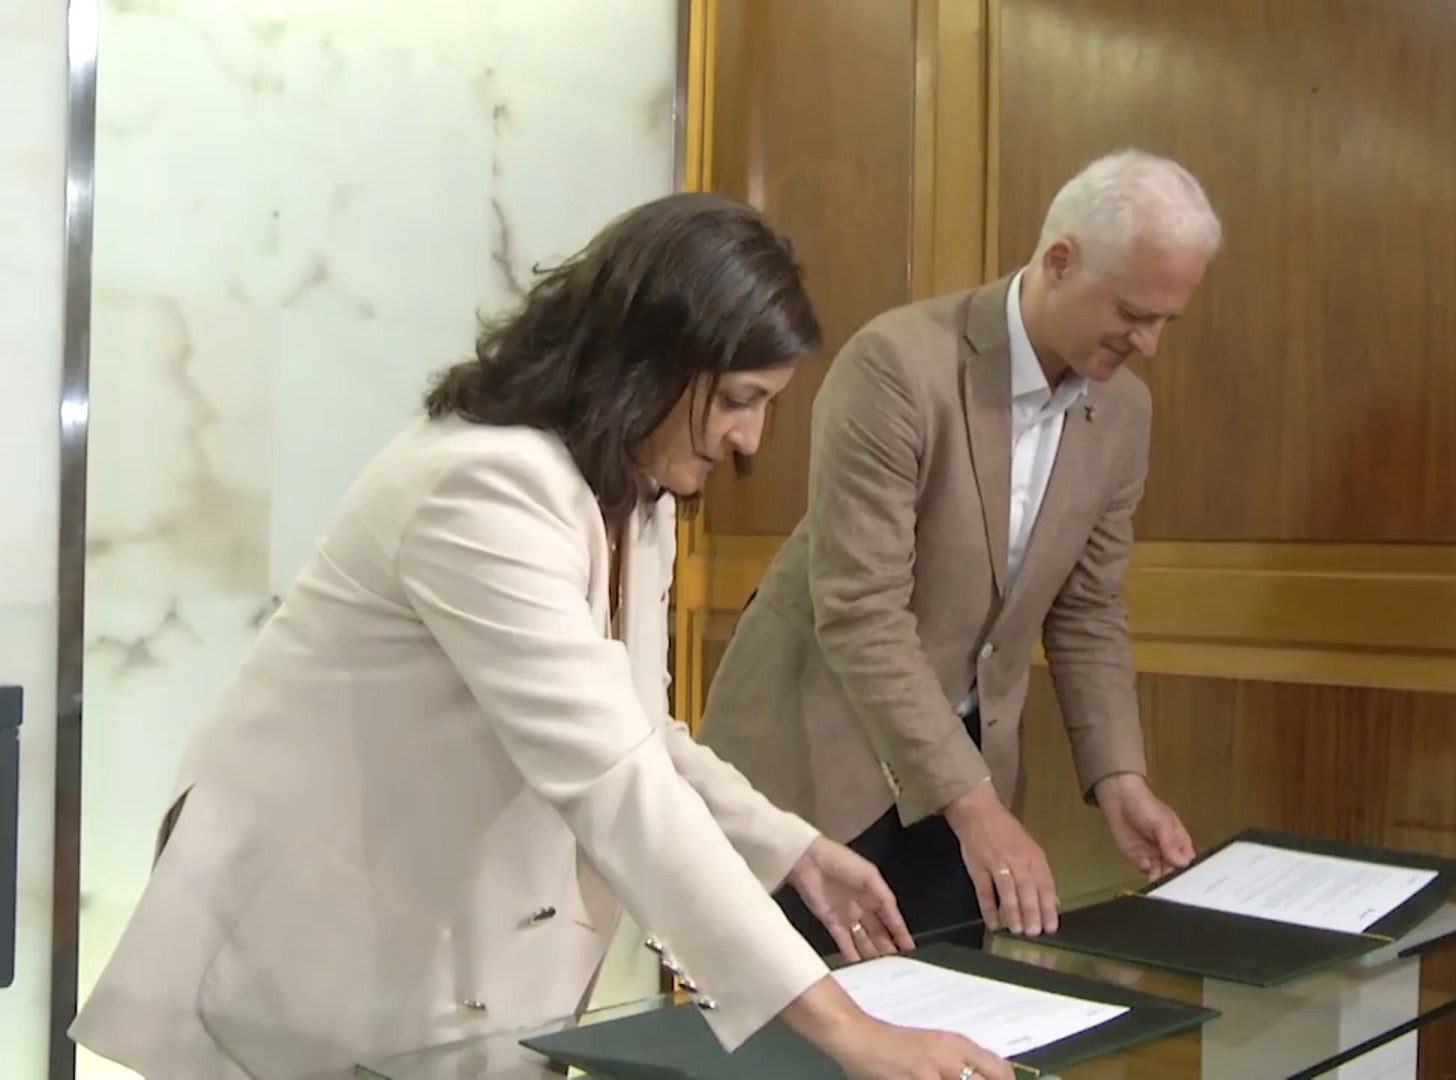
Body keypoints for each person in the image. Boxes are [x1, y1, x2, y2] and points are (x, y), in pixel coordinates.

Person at [68, 193, 1015, 1080]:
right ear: (650, 360)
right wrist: (848, 1030)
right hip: (313, 937)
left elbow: (642, 731)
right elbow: (616, 779)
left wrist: (791, 850)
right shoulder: (484, 485)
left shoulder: (633, 494)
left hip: (435, 946)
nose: (751, 440)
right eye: (738, 398)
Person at [695, 149, 1218, 953]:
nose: (1148, 343)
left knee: (947, 1005)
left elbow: (1086, 610)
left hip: (961, 765)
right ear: (1060, 261)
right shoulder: (897, 365)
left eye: (1165, 322)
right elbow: (862, 614)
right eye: (1132, 312)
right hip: (815, 754)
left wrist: (1120, 778)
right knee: (804, 1015)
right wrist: (977, 809)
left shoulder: (1124, 414)